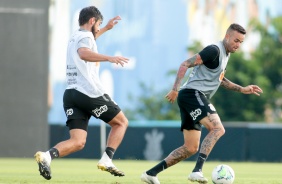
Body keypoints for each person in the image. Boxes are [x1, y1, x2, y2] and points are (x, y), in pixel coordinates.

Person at [140, 23, 263, 184]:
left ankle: (151, 173)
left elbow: (220, 79)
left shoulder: (226, 54)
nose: (238, 45)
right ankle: (197, 171)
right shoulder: (214, 50)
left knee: (190, 148)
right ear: (227, 37)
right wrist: (175, 89)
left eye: (241, 42)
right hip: (192, 94)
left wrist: (242, 89)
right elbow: (185, 64)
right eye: (236, 40)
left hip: (191, 97)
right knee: (218, 129)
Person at [34, 6, 129, 180]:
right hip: (88, 92)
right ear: (92, 21)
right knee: (121, 123)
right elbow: (84, 53)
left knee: (78, 142)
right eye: (99, 24)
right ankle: (107, 159)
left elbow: (89, 43)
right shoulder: (85, 38)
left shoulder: (76, 36)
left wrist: (106, 28)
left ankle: (47, 156)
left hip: (71, 95)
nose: (99, 27)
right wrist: (109, 58)